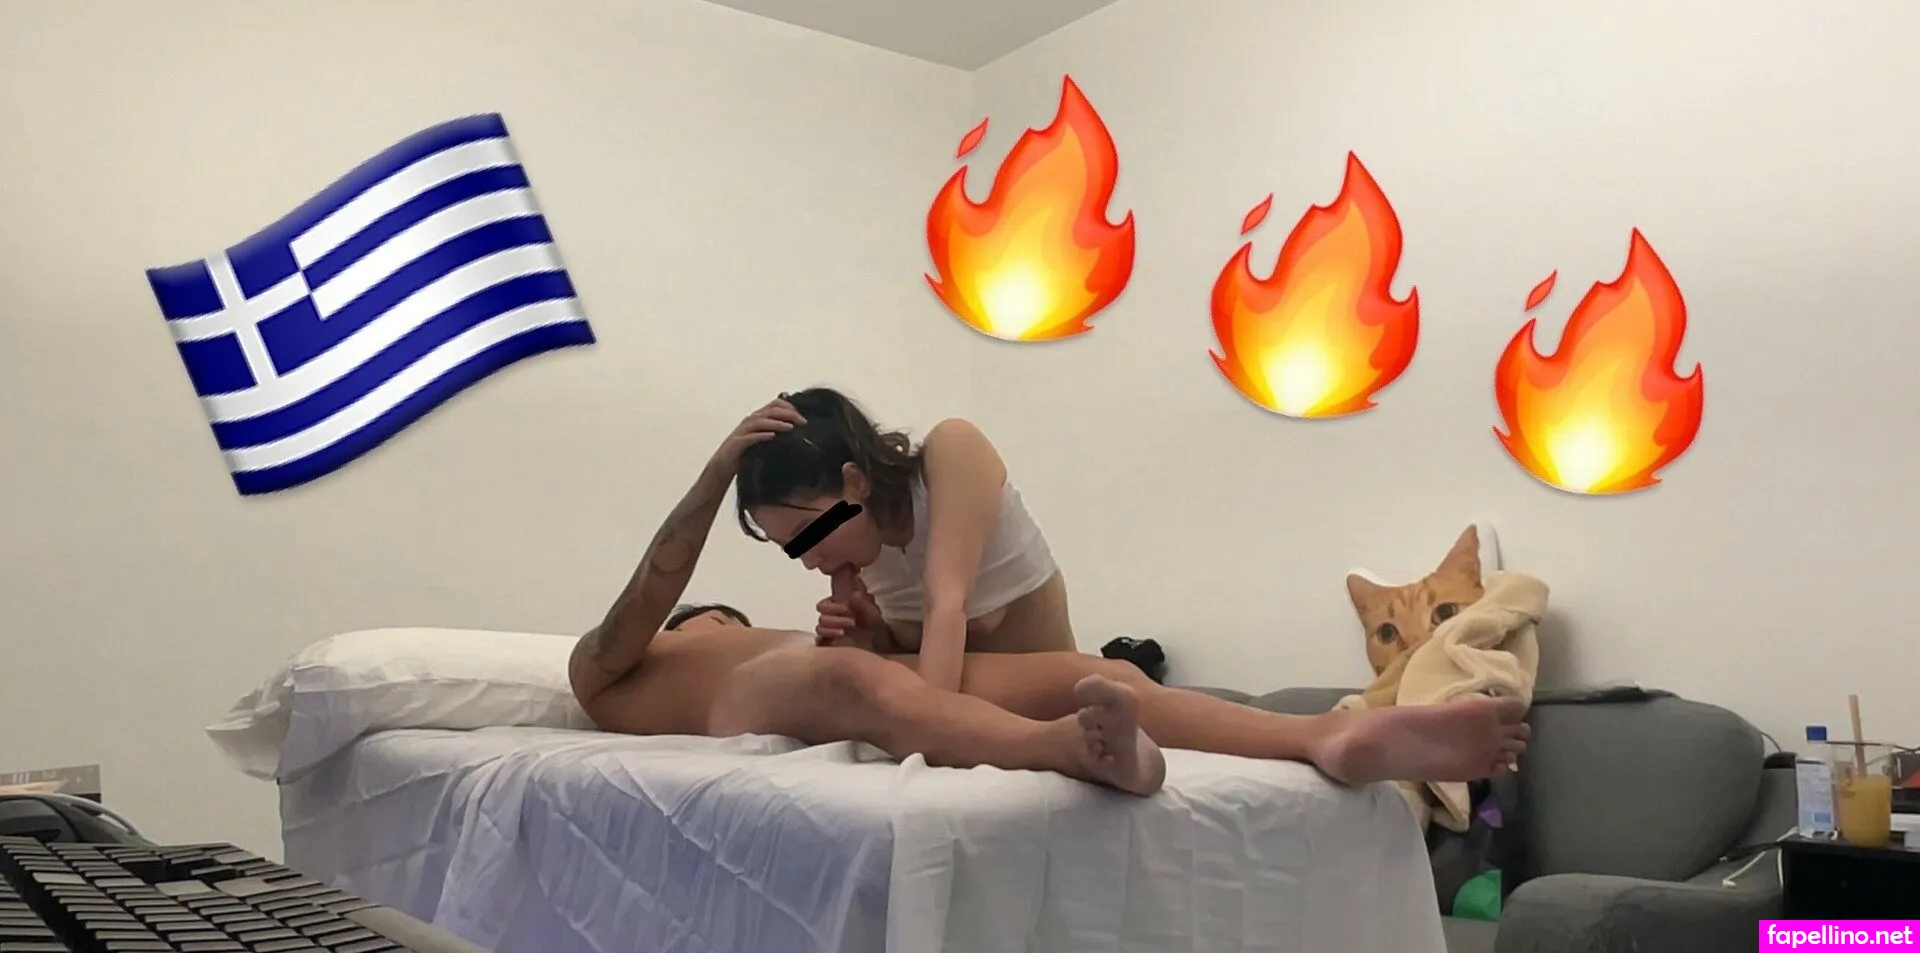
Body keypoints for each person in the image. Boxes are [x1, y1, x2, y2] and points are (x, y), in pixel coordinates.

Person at [568, 399, 1530, 798]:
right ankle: (1062, 750)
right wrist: (714, 481)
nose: (798, 566)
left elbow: (938, 622)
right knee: (862, 687)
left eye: (803, 538)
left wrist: (867, 635)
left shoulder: (928, 479)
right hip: (798, 692)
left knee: (1096, 674)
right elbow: (658, 584)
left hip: (896, 667)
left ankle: (1324, 735)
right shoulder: (608, 672)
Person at [731, 388, 1073, 694]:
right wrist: (874, 640)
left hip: (1054, 701)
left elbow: (947, 605)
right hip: (982, 710)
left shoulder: (953, 452)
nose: (809, 560)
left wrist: (924, 725)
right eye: (791, 548)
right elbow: (922, 667)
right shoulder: (863, 553)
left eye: (809, 531)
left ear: (855, 482)